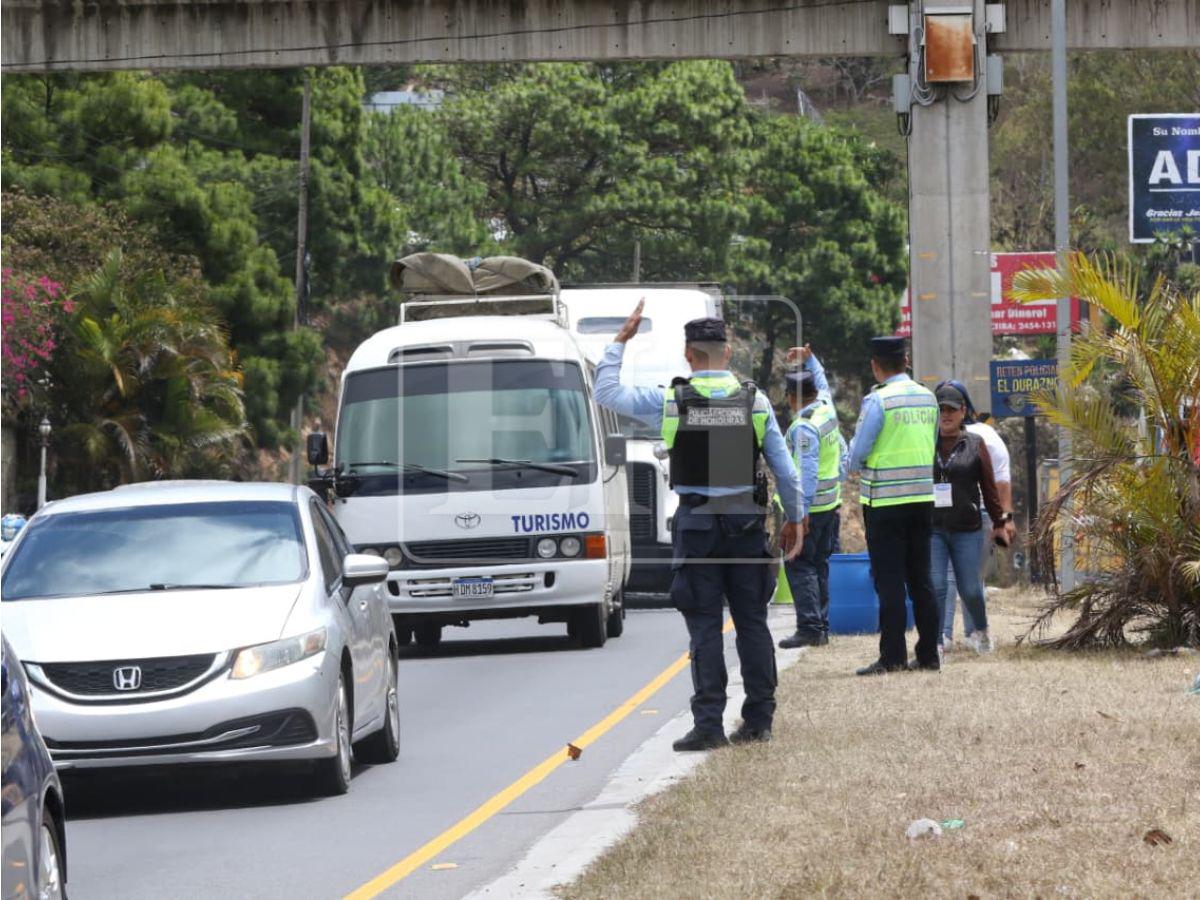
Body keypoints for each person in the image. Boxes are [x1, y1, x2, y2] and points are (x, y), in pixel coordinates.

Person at [594, 301, 805, 750]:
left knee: (706, 628)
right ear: (727, 352)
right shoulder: (754, 401)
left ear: (689, 355)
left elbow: (606, 393)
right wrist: (796, 519)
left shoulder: (671, 401)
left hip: (697, 528)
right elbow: (786, 472)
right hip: (746, 526)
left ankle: (709, 725)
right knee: (752, 623)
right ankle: (759, 721)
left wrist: (620, 342)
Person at [846, 336, 940, 675]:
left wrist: (852, 463)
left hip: (885, 501)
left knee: (890, 581)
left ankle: (893, 657)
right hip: (922, 499)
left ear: (875, 365)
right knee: (921, 580)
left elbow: (857, 454)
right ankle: (929, 655)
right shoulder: (929, 397)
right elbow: (931, 444)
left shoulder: (879, 400)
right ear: (906, 361)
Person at [934, 381, 1016, 648]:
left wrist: (1003, 520)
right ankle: (941, 637)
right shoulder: (926, 441)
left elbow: (996, 483)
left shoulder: (980, 438)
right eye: (940, 408)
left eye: (951, 408)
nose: (945, 414)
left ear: (963, 409)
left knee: (970, 586)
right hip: (935, 524)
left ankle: (977, 631)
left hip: (972, 520)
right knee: (940, 583)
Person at [778, 346, 847, 649]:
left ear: (790, 397)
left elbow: (806, 473)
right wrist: (811, 359)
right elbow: (823, 384)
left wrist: (799, 514)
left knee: (799, 564)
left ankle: (809, 627)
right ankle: (821, 626)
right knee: (818, 564)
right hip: (829, 505)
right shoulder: (826, 411)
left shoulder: (804, 427)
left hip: (811, 508)